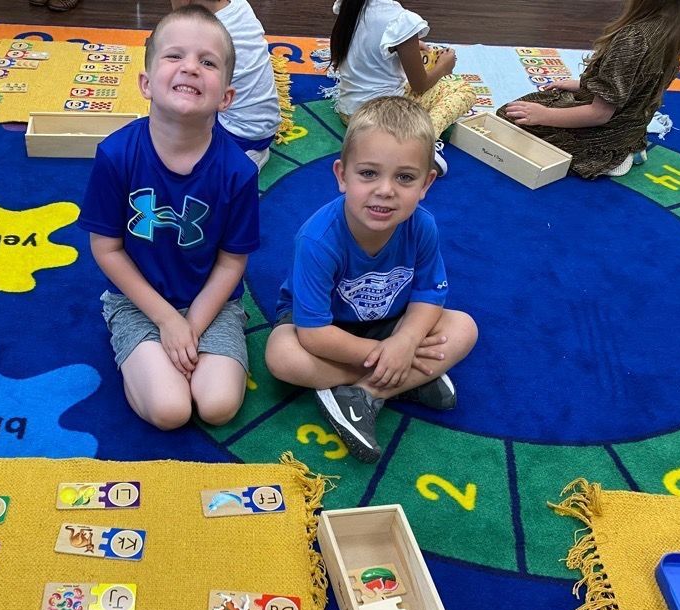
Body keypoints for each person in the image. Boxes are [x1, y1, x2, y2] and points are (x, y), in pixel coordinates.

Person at [78, 5, 260, 430]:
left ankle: (168, 357)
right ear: (145, 83)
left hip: (212, 306)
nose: (191, 68)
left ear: (226, 96)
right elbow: (106, 248)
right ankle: (138, 353)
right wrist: (165, 320)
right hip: (136, 302)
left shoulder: (238, 171)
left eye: (208, 62)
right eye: (174, 56)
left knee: (217, 406)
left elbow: (233, 261)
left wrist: (191, 325)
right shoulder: (116, 155)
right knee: (170, 411)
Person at [265, 97, 477, 463]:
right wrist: (390, 356)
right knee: (282, 356)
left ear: (426, 184)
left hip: (391, 325)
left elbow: (428, 294)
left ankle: (363, 395)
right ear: (341, 175)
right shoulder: (316, 240)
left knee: (464, 328)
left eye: (405, 178)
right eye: (368, 173)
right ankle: (406, 380)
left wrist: (406, 341)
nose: (385, 190)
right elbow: (313, 333)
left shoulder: (422, 226)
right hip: (322, 332)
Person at [498, 0, 680, 178]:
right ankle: (623, 146)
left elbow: (599, 114)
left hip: (604, 131)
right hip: (630, 126)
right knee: (534, 103)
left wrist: (544, 115)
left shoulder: (633, 38)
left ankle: (611, 158)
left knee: (509, 116)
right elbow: (636, 86)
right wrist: (583, 84)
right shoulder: (672, 28)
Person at [328, 0, 476, 175]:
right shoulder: (399, 19)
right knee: (464, 90)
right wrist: (444, 66)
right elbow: (420, 85)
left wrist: (407, 46)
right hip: (383, 115)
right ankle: (423, 144)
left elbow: (368, 43)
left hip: (350, 111)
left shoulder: (351, 6)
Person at [171, 0, 281, 171]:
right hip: (262, 125)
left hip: (240, 133)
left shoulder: (205, 34)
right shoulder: (240, 4)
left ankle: (242, 159)